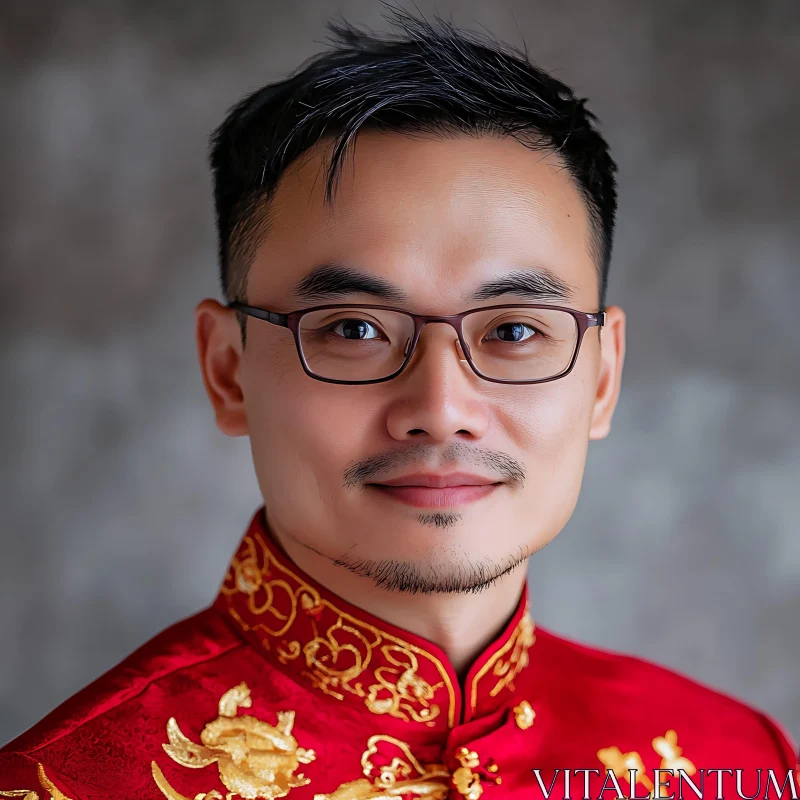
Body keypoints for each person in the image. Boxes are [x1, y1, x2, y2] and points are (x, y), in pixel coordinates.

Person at [1, 7, 796, 799]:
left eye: (515, 329)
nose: (441, 405)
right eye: (354, 328)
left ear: (603, 375)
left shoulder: (737, 766)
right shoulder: (65, 783)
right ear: (227, 370)